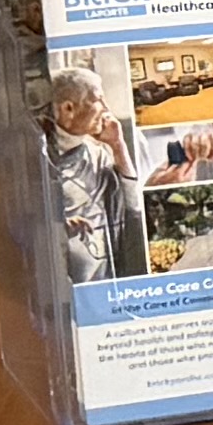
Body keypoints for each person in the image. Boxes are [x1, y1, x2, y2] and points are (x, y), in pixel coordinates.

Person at [48, 70, 139, 286]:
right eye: (98, 100)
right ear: (68, 109)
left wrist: (118, 146)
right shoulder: (35, 161)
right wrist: (57, 229)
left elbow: (133, 205)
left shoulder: (97, 154)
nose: (106, 109)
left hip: (107, 277)